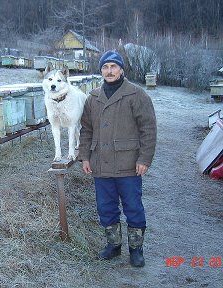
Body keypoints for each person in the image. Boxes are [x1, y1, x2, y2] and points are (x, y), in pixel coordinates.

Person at [78, 50, 157, 267]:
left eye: (113, 66)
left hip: (129, 164)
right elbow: (86, 130)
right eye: (105, 67)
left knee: (133, 206)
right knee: (106, 207)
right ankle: (113, 246)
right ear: (101, 70)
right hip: (100, 164)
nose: (109, 71)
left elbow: (148, 130)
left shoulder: (137, 95)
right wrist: (84, 156)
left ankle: (136, 249)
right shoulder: (93, 97)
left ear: (121, 69)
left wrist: (144, 159)